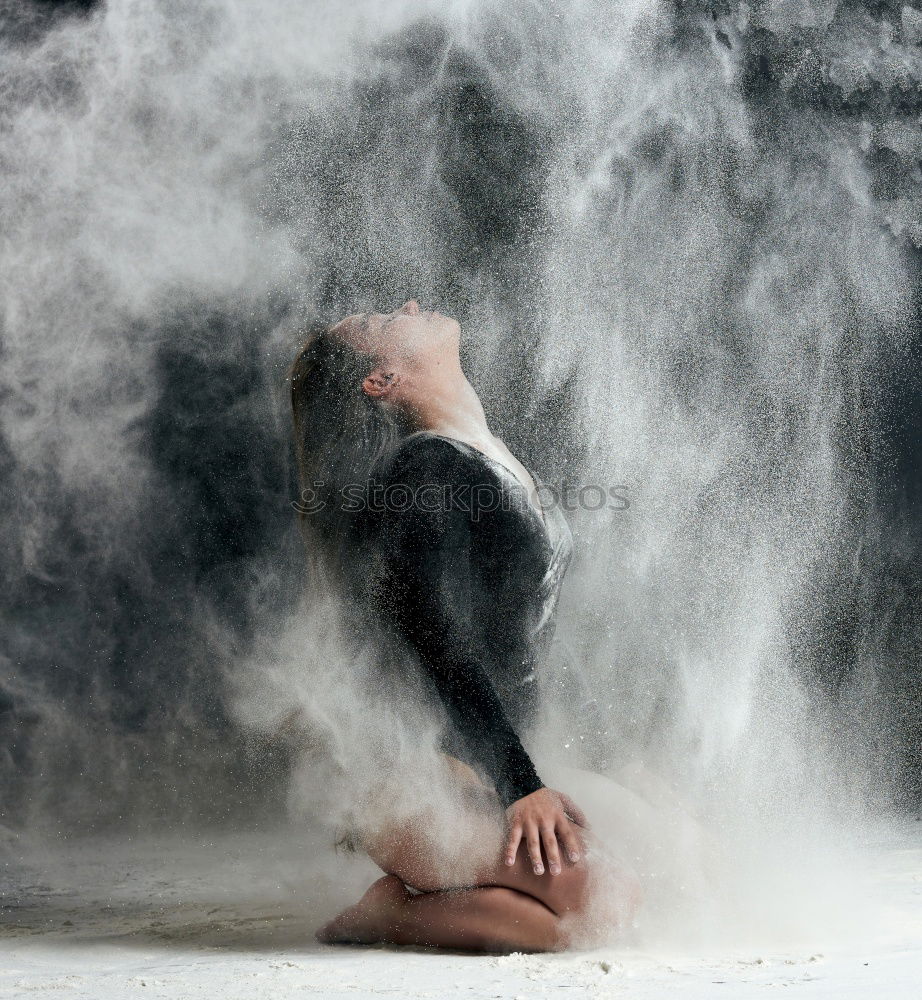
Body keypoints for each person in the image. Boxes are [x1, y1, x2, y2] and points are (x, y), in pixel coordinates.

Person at [286, 300, 644, 952]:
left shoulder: (486, 457)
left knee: (688, 867)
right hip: (419, 783)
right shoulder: (423, 474)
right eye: (381, 321)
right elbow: (434, 634)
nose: (410, 305)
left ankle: (470, 884)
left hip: (485, 762)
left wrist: (594, 757)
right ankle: (389, 916)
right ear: (382, 380)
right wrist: (521, 785)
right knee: (607, 905)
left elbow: (522, 638)